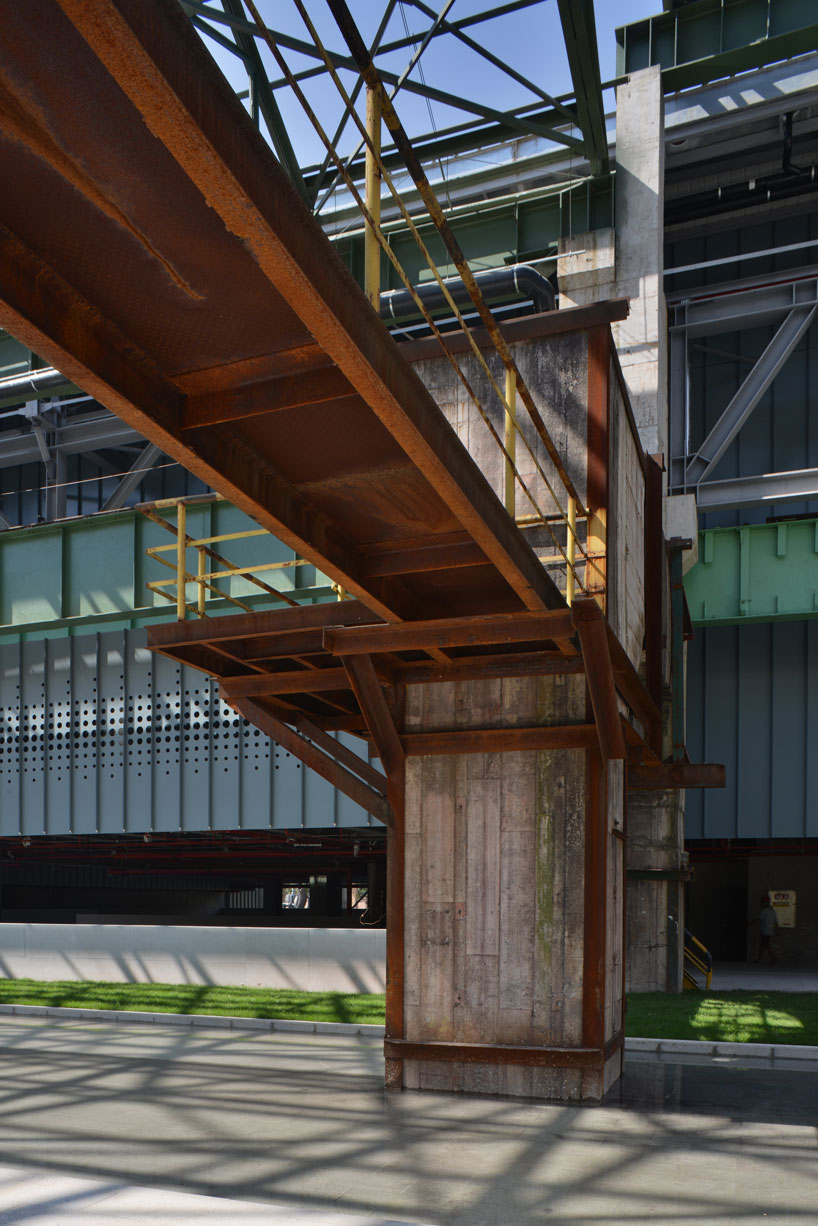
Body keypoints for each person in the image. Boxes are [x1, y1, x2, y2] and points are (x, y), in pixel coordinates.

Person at [751, 894, 778, 964]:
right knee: (763, 945)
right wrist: (777, 930)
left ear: (764, 903)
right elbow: (775, 922)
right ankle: (758, 959)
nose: (761, 904)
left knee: (765, 945)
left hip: (764, 931)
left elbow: (758, 919)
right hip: (769, 931)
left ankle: (773, 958)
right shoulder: (772, 911)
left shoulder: (763, 911)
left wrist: (749, 924)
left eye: (762, 902)